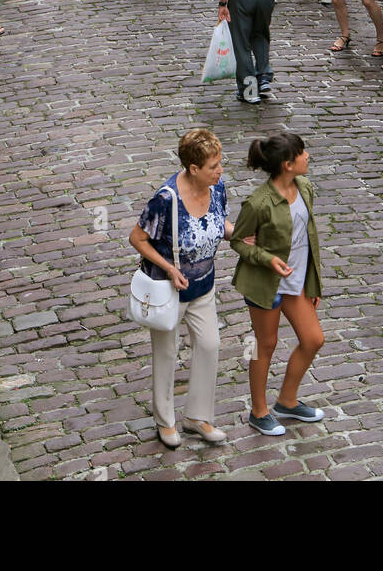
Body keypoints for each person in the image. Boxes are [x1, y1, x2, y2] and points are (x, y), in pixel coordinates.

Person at [130, 128, 232, 448]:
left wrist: (241, 234)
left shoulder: (217, 189)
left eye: (220, 163)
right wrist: (170, 268)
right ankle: (166, 421)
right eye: (214, 166)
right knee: (166, 354)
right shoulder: (165, 199)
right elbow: (137, 239)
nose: (220, 170)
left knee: (209, 345)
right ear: (194, 169)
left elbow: (220, 225)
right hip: (169, 291)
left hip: (203, 287)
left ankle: (196, 417)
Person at [230, 132, 324, 437]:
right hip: (265, 284)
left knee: (313, 340)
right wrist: (266, 258)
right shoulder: (258, 203)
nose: (308, 155)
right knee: (265, 345)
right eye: (302, 152)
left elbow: (307, 239)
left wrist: (312, 283)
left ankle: (287, 400)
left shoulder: (305, 188)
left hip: (295, 283)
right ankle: (259, 412)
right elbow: (237, 243)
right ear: (287, 164)